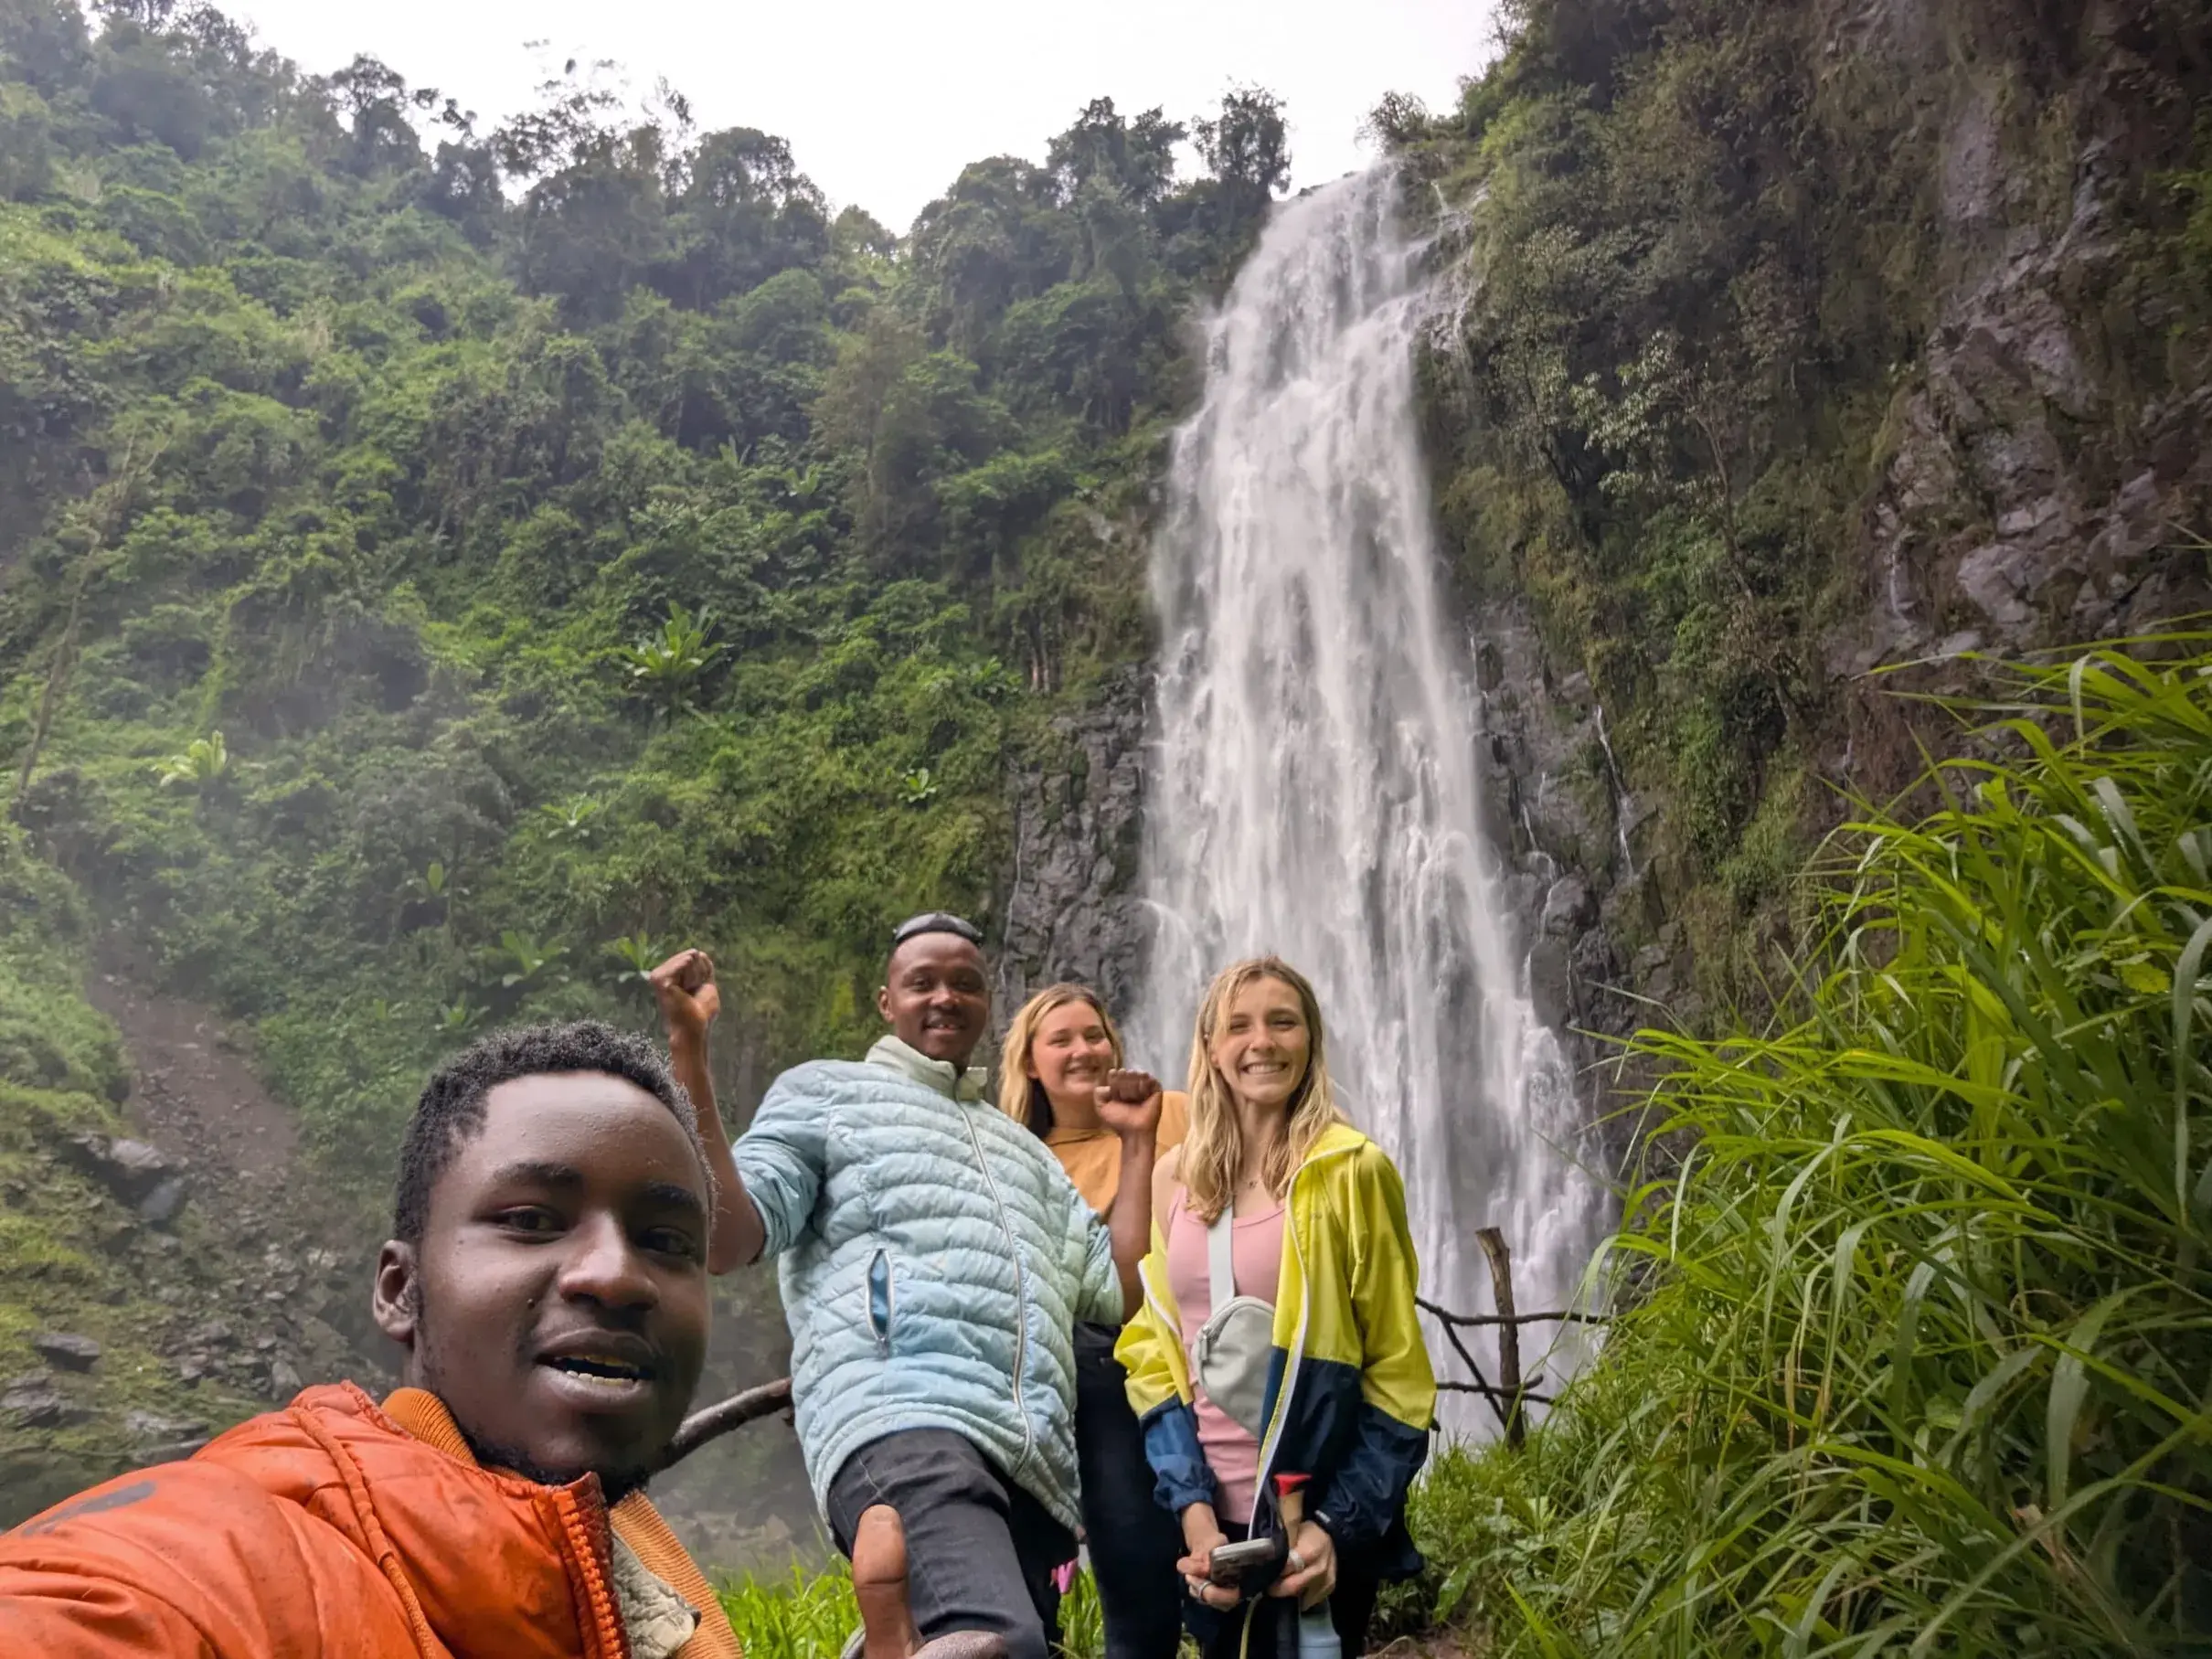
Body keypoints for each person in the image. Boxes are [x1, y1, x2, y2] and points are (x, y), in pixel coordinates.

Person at [0, 1021, 973, 1659]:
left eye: (668, 1241)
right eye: (530, 1220)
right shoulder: (235, 1556)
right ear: (399, 1290)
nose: (617, 1274)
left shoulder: (643, 1586)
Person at [650, 916, 1161, 1659]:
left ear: (989, 1003)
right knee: (995, 1644)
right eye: (922, 981)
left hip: (1031, 1463)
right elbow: (730, 1235)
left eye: (966, 983)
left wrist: (1139, 1143)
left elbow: (1116, 1291)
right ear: (886, 1000)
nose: (945, 996)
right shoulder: (826, 1092)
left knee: (988, 1644)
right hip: (901, 1418)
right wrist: (689, 1052)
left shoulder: (1028, 1152)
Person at [1117, 959, 1436, 1659]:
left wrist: (1335, 1524)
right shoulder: (1175, 1176)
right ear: (1209, 1048)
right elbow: (1153, 1350)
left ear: (1311, 1041)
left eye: (1282, 1021)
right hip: (1210, 1521)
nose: (1262, 1041)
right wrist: (1195, 1515)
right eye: (1239, 1025)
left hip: (1315, 1511)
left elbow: (1399, 1373)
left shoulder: (1350, 1171)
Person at [998, 983, 1190, 1659]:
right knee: (1132, 1572)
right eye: (1061, 1039)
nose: (1083, 1049)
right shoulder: (1018, 1162)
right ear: (1029, 1062)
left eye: (1094, 1034)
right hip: (1092, 1385)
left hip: (1203, 1361)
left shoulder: (1177, 1115)